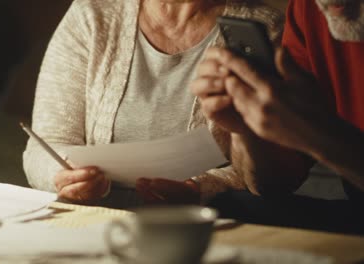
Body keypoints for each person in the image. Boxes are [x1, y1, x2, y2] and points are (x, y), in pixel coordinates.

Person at [23, 0, 283, 208]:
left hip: (202, 226)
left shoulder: (263, 29)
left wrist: (199, 189)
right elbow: (43, 148)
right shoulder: (92, 14)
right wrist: (63, 177)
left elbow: (268, 175)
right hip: (90, 223)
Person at [141, 0, 364, 205]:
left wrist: (319, 137)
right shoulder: (310, 8)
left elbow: (315, 133)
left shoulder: (272, 22)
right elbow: (277, 182)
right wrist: (246, 129)